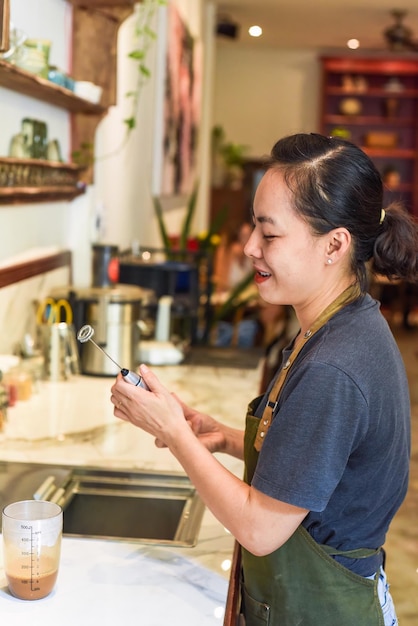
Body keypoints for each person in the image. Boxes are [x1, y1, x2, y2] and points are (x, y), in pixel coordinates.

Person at [110, 133, 418, 625]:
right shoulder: (341, 324)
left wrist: (173, 432)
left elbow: (259, 528)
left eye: (270, 235)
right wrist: (222, 436)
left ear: (334, 244)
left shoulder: (334, 366)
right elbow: (320, 461)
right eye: (255, 227)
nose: (250, 246)